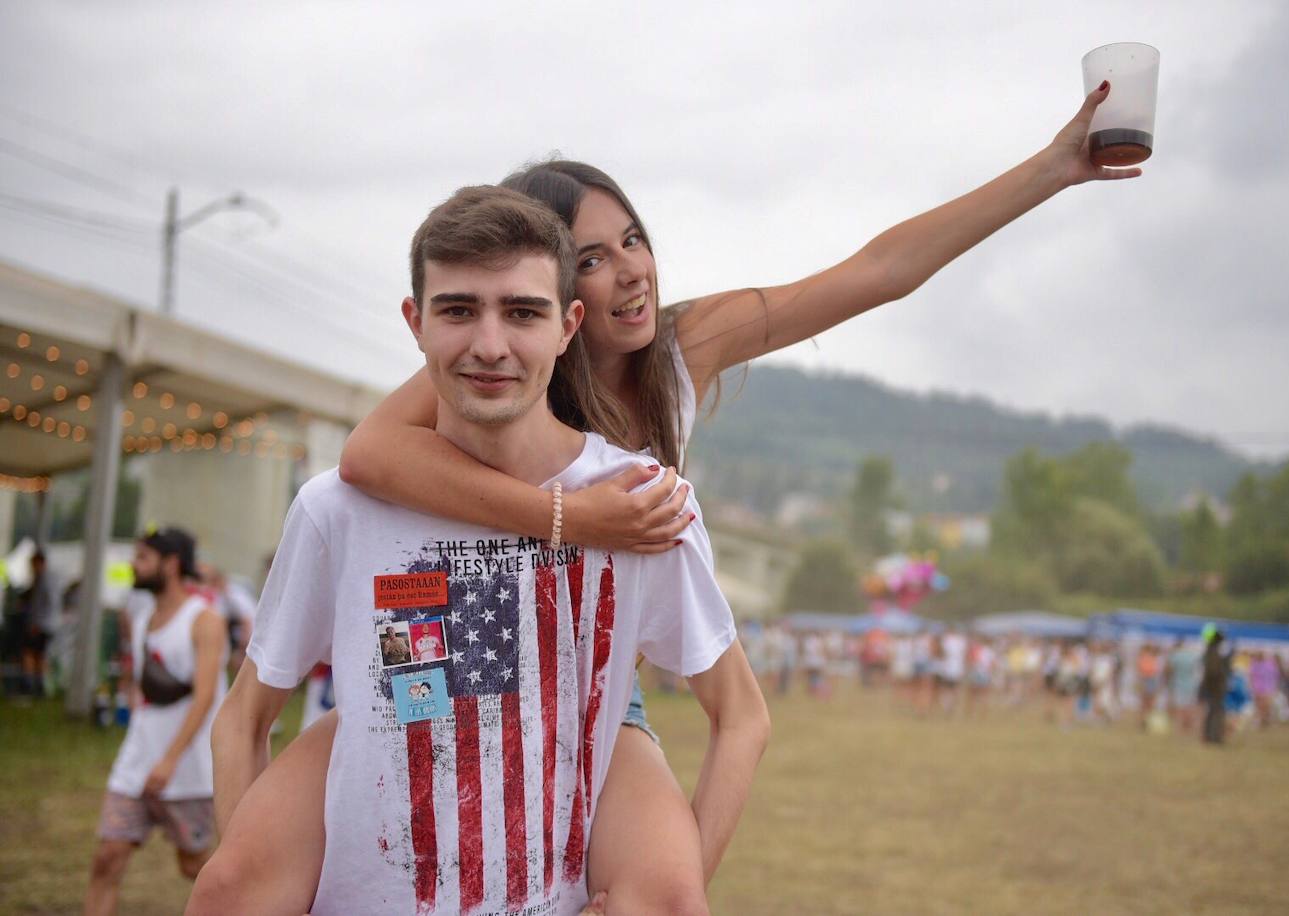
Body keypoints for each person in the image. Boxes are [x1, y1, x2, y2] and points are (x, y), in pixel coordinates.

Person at [194, 84, 1138, 911]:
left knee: (664, 884)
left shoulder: (680, 352)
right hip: (460, 638)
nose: (631, 268)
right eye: (595, 256)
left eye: (633, 238)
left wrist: (1053, 169)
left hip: (594, 684)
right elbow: (366, 458)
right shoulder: (498, 359)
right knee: (267, 871)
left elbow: (877, 274)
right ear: (559, 283)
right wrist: (574, 522)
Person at [191, 186, 768, 916]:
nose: (490, 345)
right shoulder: (335, 511)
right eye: (458, 309)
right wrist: (247, 862)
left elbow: (741, 716)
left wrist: (686, 880)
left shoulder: (640, 507)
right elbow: (245, 719)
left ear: (568, 327)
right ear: (416, 322)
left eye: (523, 312)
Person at [83, 528, 226, 916]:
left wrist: (169, 759)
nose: (134, 563)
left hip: (187, 770)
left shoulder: (204, 620)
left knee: (195, 867)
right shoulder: (142, 614)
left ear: (172, 564)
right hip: (136, 763)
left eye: (144, 557)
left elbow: (206, 696)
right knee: (108, 857)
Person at [14, 550, 59, 699]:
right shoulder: (41, 579)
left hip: (42, 625)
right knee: (38, 655)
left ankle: (31, 685)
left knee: (33, 654)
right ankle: (37, 686)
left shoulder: (45, 579)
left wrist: (38, 623)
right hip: (43, 624)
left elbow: (49, 603)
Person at [1199, 629, 1231, 745]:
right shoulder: (1214, 652)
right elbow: (1213, 672)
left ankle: (1210, 736)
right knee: (1216, 711)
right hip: (1216, 688)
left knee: (1212, 711)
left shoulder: (1210, 652)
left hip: (1212, 687)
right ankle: (1214, 737)